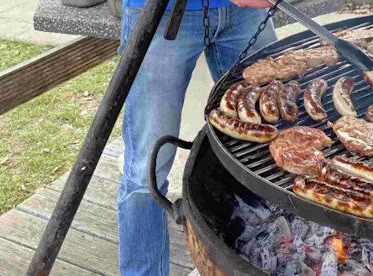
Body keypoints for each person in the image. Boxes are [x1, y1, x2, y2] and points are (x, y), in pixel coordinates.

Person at [116, 0, 277, 274]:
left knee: (272, 146)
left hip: (245, 14)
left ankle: (271, 258)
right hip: (162, 16)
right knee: (146, 170)